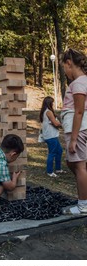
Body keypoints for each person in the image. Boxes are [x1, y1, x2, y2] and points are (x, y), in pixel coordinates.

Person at [61, 48, 87, 215]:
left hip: (78, 129)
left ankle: (83, 206)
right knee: (74, 163)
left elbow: (78, 111)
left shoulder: (77, 83)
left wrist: (74, 139)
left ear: (69, 63)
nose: (65, 71)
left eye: (64, 67)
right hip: (83, 128)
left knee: (78, 167)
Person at [39, 96, 64, 177]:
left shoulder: (45, 111)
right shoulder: (48, 112)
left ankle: (58, 169)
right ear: (49, 103)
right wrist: (63, 124)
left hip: (51, 135)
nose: (53, 104)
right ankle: (49, 171)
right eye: (52, 102)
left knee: (59, 151)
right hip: (51, 136)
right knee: (52, 153)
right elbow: (55, 123)